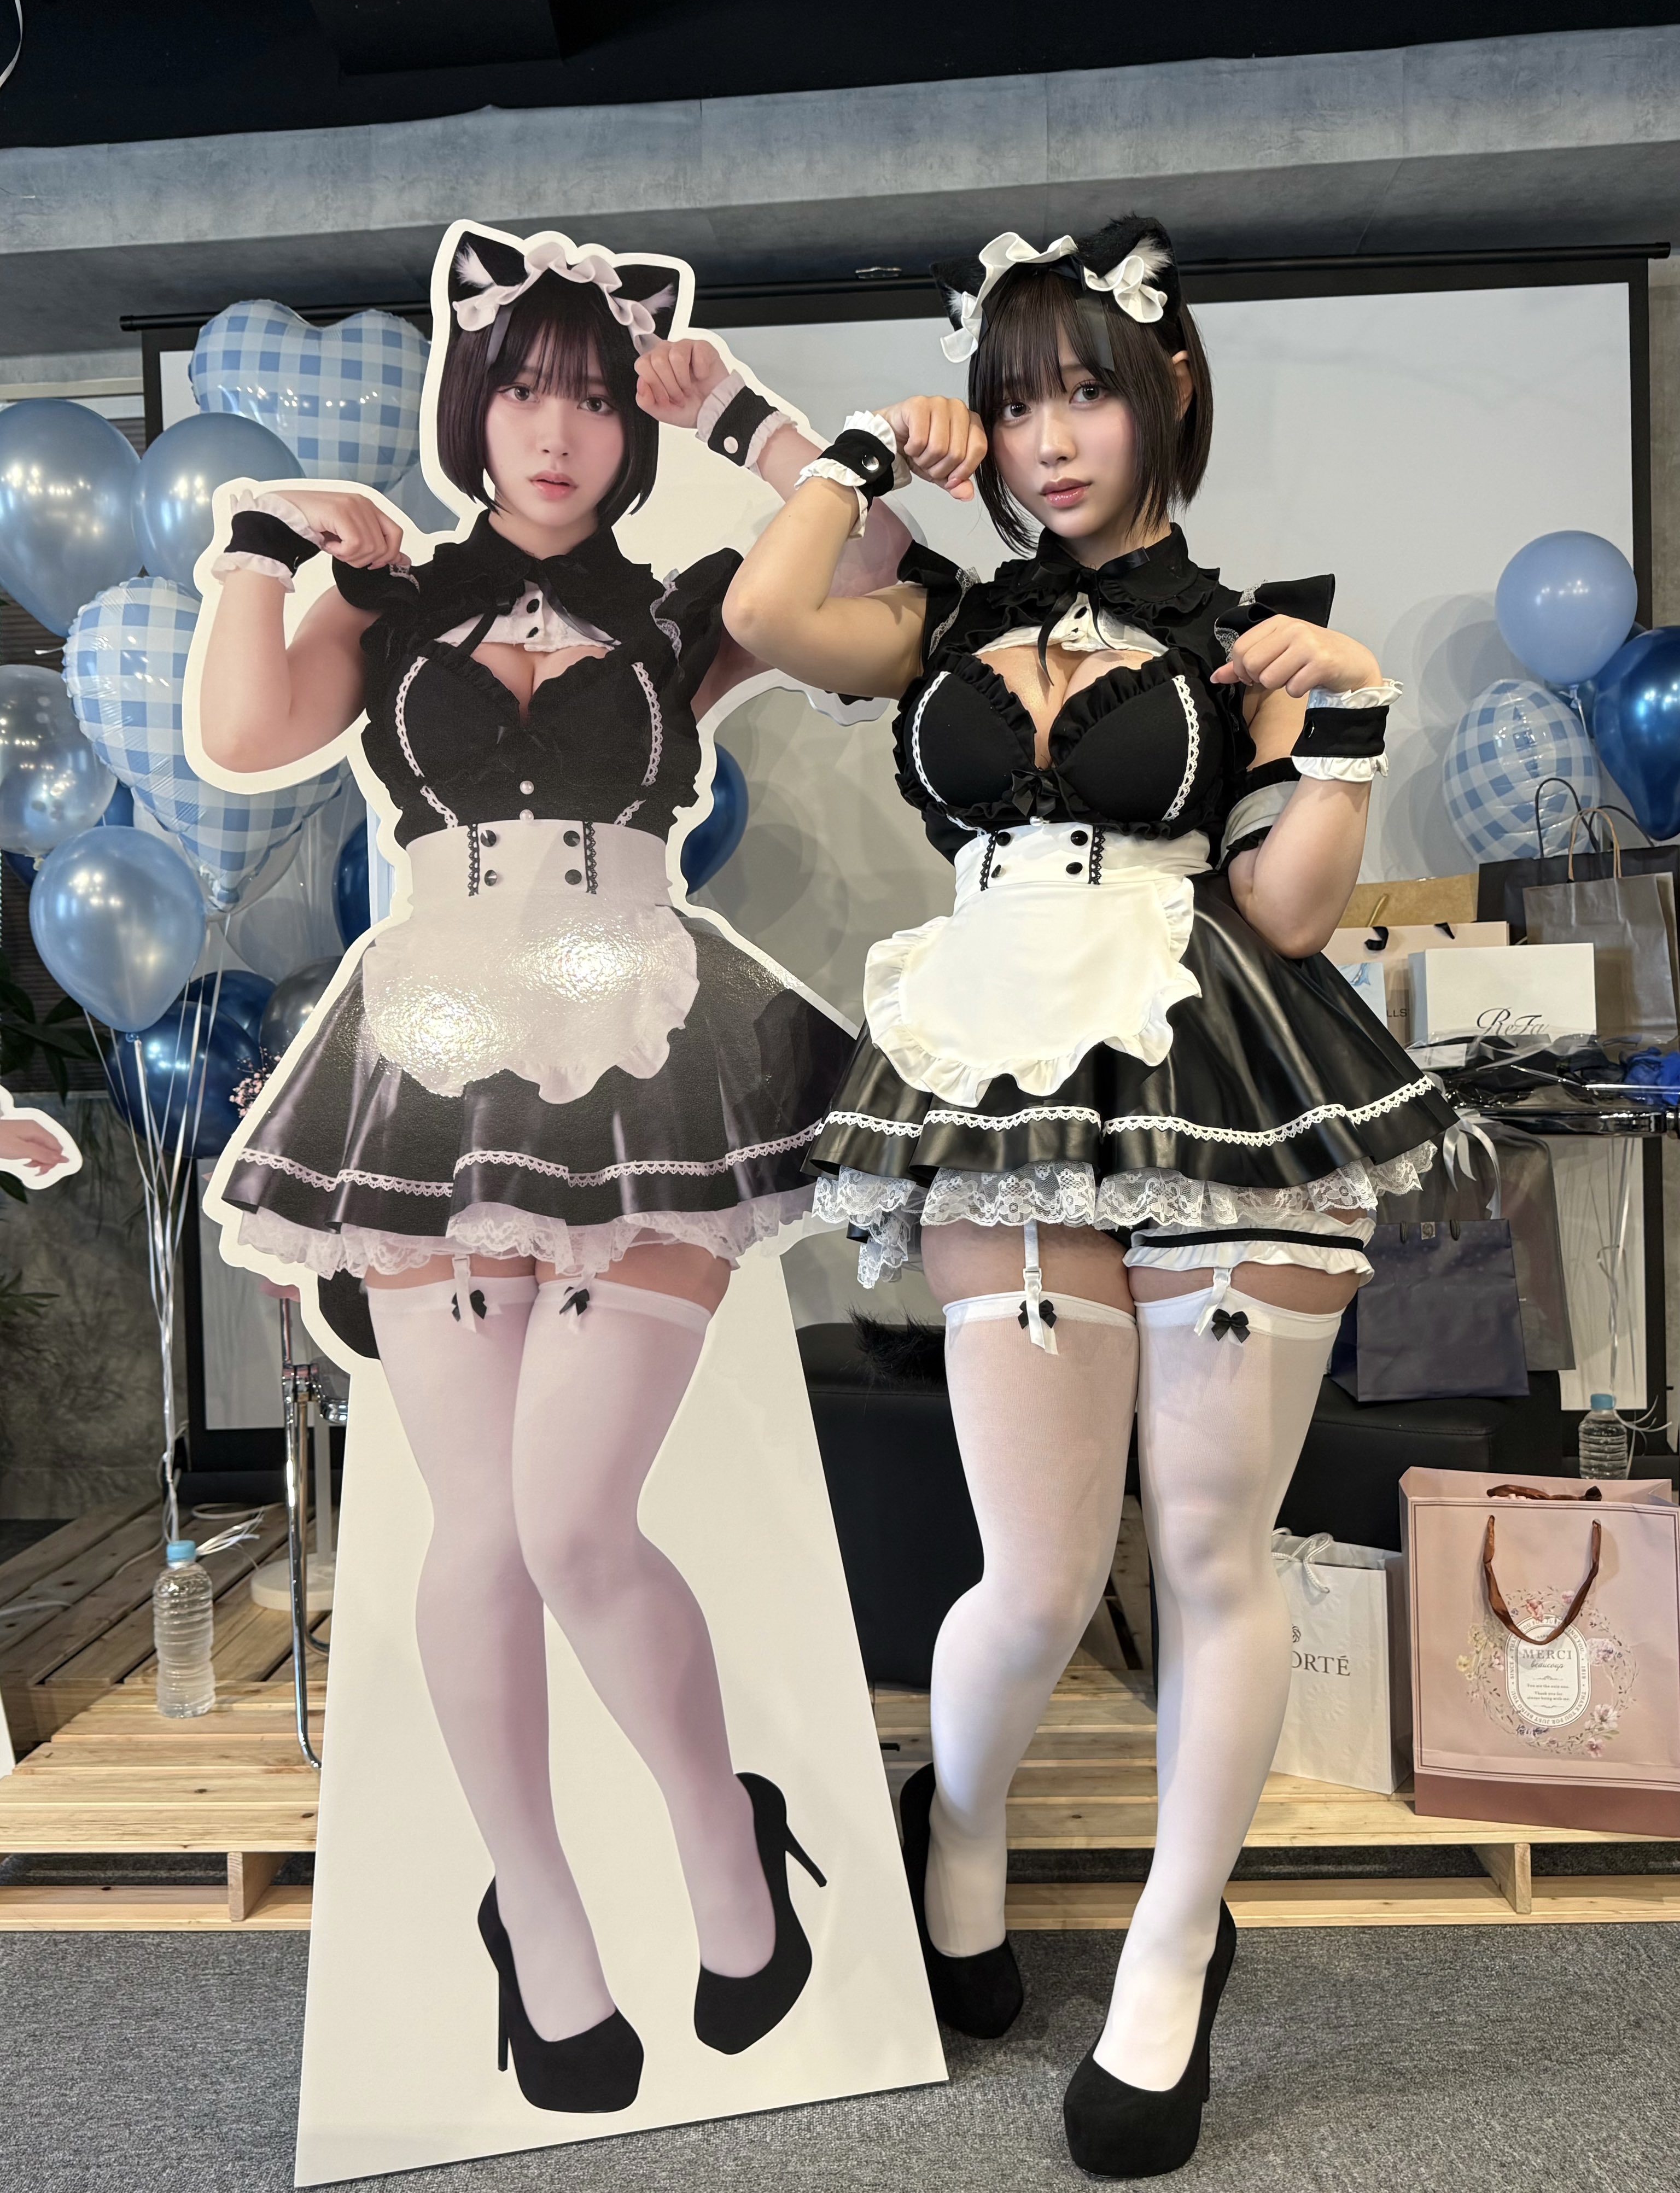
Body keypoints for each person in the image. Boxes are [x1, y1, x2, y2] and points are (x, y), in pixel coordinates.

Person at [723, 216, 1454, 2177]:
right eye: (1020, 398)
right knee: (1038, 1576)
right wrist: (864, 457)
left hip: (1217, 1061)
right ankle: (956, 1831)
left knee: (1210, 1552)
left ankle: (1168, 1953)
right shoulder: (945, 620)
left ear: (1167, 393)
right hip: (1005, 1074)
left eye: (1089, 393)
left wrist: (1354, 706)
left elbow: (1288, 909)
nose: (1052, 438)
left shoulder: (1253, 636)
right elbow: (775, 614)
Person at [197, 228, 906, 2116]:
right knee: (483, 1534)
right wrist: (263, 545)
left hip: (645, 1043)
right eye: (525, 386)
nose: (560, 427)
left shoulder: (684, 610)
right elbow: (248, 729)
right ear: (474, 403)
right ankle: (541, 1918)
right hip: (435, 1045)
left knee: (579, 1521)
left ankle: (724, 1835)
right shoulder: (395, 602)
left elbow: (876, 579)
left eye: (594, 395)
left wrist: (746, 420)